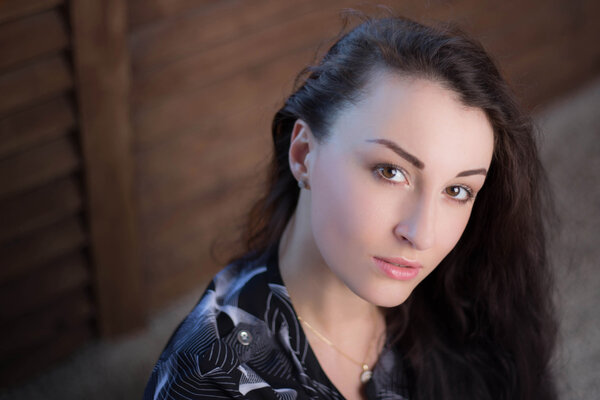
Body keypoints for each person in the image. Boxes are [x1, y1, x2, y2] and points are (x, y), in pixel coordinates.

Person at [143, 15, 557, 400]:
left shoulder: (467, 301)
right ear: (304, 154)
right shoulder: (206, 379)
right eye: (390, 171)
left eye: (458, 191)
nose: (422, 235)